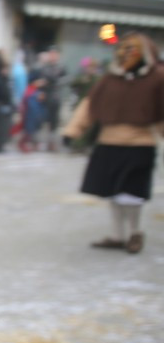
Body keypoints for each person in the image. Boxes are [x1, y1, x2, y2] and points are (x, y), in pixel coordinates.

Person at [62, 32, 164, 255]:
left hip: (140, 143)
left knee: (131, 193)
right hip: (108, 142)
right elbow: (89, 107)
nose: (125, 54)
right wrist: (73, 131)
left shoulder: (157, 78)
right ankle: (118, 235)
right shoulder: (109, 79)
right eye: (123, 48)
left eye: (131, 49)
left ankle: (135, 232)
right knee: (113, 192)